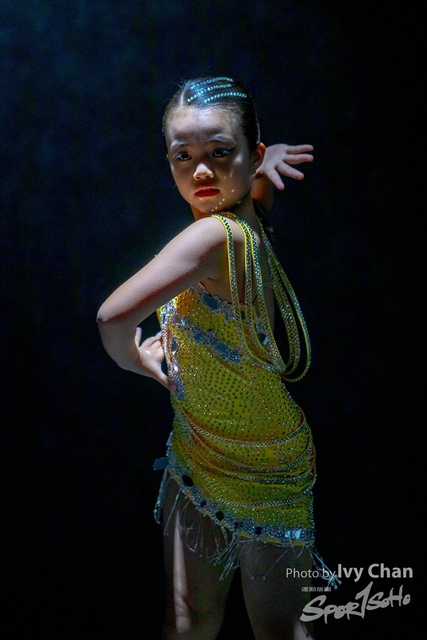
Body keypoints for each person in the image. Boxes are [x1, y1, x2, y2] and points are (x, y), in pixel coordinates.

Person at [97, 77, 334, 640]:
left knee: (275, 629)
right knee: (187, 620)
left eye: (219, 153)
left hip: (263, 464)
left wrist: (135, 361)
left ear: (249, 153)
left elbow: (111, 319)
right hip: (202, 445)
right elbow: (257, 193)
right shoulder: (247, 212)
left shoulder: (210, 241)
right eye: (184, 156)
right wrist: (260, 163)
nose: (201, 170)